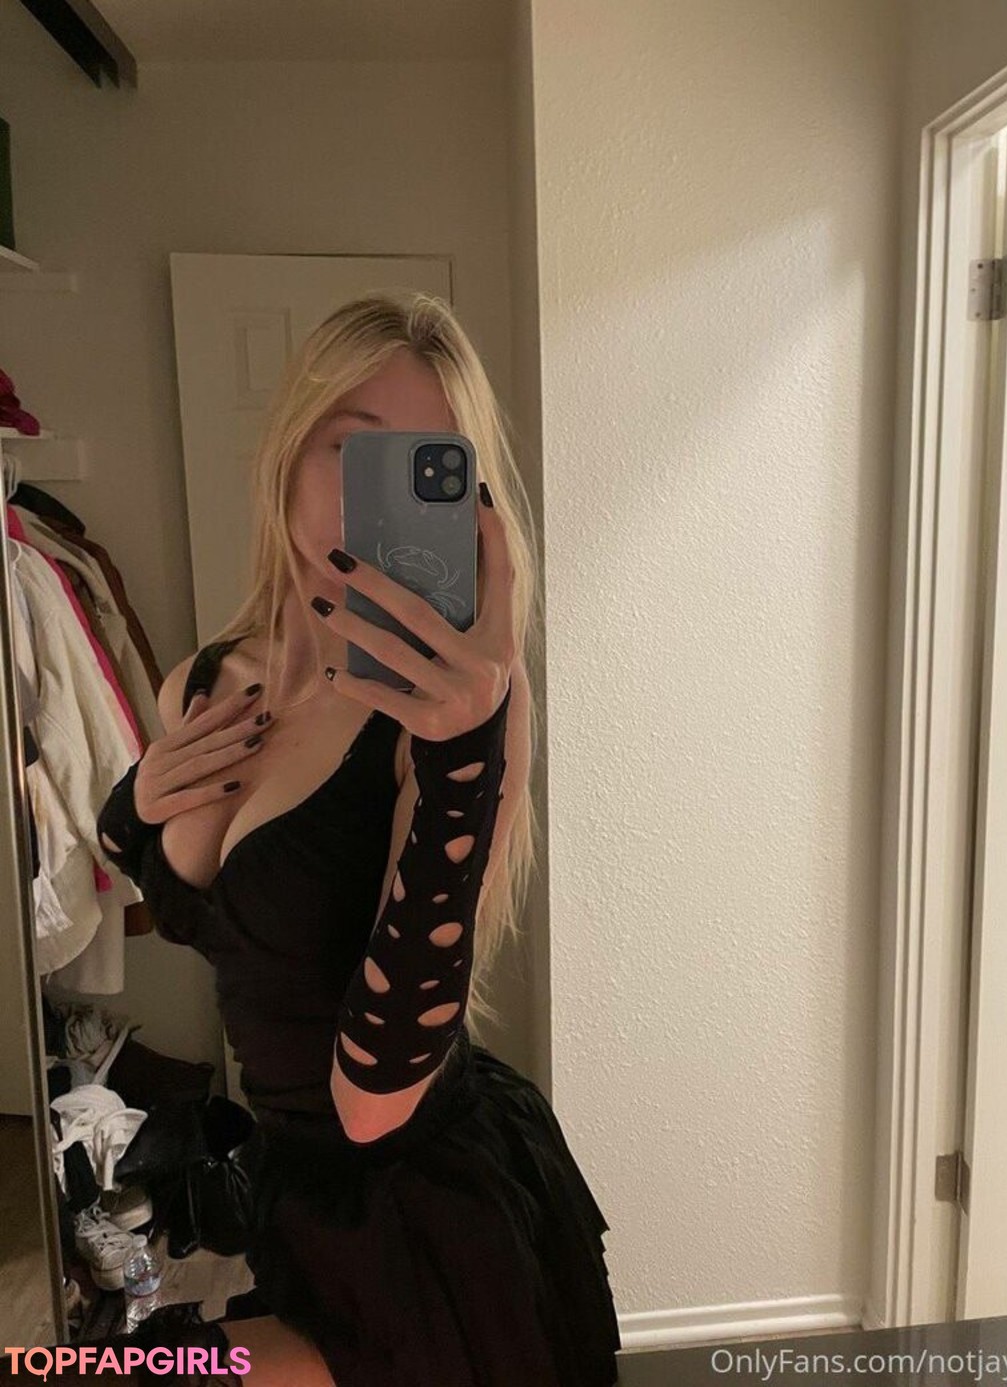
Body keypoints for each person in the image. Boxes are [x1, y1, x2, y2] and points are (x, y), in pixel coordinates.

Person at [91, 292, 621, 1386]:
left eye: (430, 464)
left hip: (422, 1227)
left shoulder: (459, 711)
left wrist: (463, 761)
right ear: (288, 452)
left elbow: (374, 1098)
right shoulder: (208, 677)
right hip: (293, 1204)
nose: (385, 492)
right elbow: (193, 913)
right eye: (354, 446)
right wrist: (132, 808)